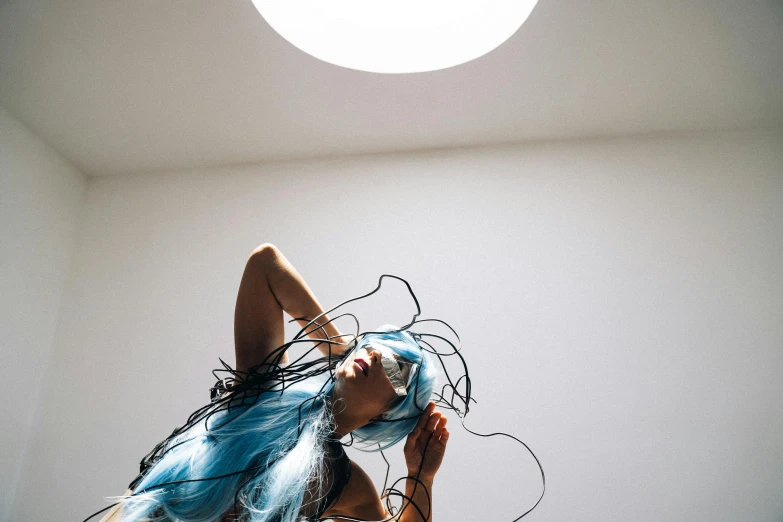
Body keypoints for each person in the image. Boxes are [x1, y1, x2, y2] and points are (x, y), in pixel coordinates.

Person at [96, 243, 450, 522]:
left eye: (395, 369)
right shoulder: (265, 391)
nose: (376, 356)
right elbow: (266, 264)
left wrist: (421, 477)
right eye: (375, 347)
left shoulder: (347, 485)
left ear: (387, 414)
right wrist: (337, 347)